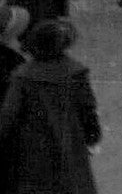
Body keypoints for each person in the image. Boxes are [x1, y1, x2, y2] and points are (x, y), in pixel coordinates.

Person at [0, 19, 101, 194]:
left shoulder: (22, 76)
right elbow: (87, 111)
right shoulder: (75, 74)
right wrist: (92, 137)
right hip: (70, 145)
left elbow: (8, 116)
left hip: (32, 151)